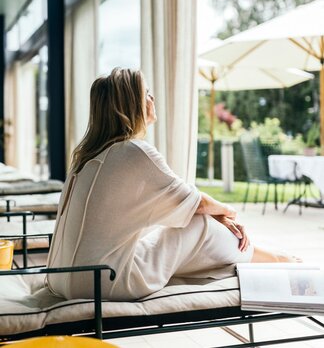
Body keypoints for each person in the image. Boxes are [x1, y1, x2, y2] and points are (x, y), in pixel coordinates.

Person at [47, 67, 299, 301]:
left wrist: (212, 213)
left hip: (66, 277)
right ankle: (276, 260)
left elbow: (179, 203)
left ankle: (269, 258)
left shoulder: (89, 158)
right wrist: (227, 212)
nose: (152, 98)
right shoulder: (133, 152)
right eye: (145, 93)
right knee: (201, 224)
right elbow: (195, 202)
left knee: (183, 226)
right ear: (130, 104)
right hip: (104, 281)